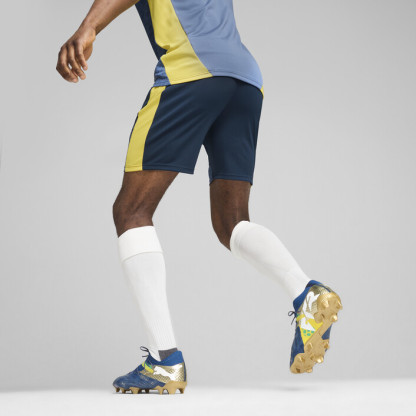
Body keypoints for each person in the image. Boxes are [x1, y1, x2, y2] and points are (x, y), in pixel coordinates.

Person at [56, 0, 342, 395]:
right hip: (245, 79)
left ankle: (164, 360)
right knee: (231, 223)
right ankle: (306, 293)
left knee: (131, 210)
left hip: (191, 71)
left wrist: (88, 27)